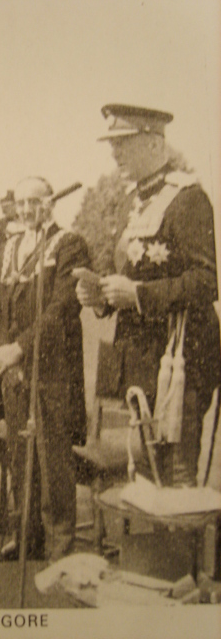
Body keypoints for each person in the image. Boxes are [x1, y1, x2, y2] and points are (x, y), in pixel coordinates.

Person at [76, 104, 220, 486]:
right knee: (142, 468)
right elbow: (127, 274)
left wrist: (139, 294)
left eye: (124, 143)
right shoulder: (131, 203)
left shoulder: (187, 199)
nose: (115, 153)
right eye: (113, 145)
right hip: (136, 360)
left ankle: (181, 546)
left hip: (179, 361)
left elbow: (206, 282)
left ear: (156, 146)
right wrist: (103, 296)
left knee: (174, 474)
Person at [0, 176, 90, 562]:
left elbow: (61, 310)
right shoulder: (9, 245)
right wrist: (2, 353)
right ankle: (24, 537)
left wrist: (20, 349)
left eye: (34, 202)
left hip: (51, 370)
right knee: (20, 454)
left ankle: (60, 548)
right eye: (21, 202)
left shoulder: (69, 244)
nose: (26, 209)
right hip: (12, 370)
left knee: (53, 458)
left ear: (50, 203)